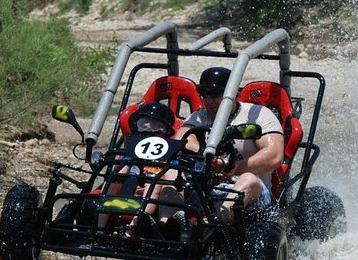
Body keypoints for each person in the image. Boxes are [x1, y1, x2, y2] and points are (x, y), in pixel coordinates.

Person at [174, 67, 284, 224]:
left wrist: (233, 167)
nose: (208, 101)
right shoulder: (199, 117)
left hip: (252, 194)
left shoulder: (257, 114)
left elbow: (275, 156)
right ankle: (168, 222)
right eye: (204, 95)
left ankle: (214, 225)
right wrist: (206, 156)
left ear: (231, 94)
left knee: (248, 178)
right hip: (206, 191)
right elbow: (181, 141)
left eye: (214, 94)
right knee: (170, 171)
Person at [99, 102, 182, 236]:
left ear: (166, 131)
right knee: (116, 175)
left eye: (156, 127)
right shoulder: (133, 147)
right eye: (144, 124)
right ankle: (100, 227)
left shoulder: (169, 150)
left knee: (154, 178)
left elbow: (172, 173)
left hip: (154, 190)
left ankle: (132, 229)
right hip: (131, 185)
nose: (149, 130)